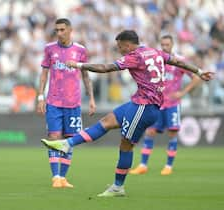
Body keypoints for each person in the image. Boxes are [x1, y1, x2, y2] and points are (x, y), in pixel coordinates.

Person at [41, 30, 214, 197]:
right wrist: (199, 71)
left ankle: (118, 187)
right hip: (139, 102)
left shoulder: (134, 56)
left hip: (145, 107)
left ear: (128, 45)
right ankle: (67, 144)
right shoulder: (154, 51)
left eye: (120, 47)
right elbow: (178, 62)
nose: (119, 50)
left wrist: (79, 65)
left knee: (126, 145)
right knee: (107, 121)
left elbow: (105, 68)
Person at [36, 18, 96, 188]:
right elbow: (44, 74)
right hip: (54, 101)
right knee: (54, 137)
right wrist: (40, 96)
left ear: (70, 30)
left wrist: (91, 98)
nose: (59, 33)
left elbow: (85, 75)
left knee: (70, 140)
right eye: (57, 30)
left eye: (62, 30)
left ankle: (63, 178)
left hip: (73, 102)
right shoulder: (49, 49)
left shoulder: (80, 50)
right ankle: (55, 176)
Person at [129, 35, 201, 176]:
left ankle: (168, 166)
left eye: (167, 44)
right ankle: (143, 165)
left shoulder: (179, 61)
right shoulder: (157, 59)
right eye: (162, 44)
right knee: (150, 132)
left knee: (172, 133)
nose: (164, 47)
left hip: (173, 104)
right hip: (157, 103)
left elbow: (196, 78)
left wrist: (182, 92)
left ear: (172, 44)